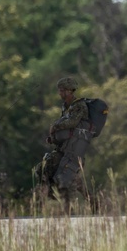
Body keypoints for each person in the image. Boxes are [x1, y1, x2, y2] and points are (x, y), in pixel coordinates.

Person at [38, 76, 92, 209]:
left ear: (70, 91)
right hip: (64, 148)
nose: (60, 93)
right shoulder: (67, 107)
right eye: (59, 90)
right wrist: (54, 138)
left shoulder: (79, 105)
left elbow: (72, 123)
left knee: (67, 176)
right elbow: (67, 129)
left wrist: (55, 126)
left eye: (62, 90)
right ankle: (50, 198)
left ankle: (71, 206)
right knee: (44, 168)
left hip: (75, 149)